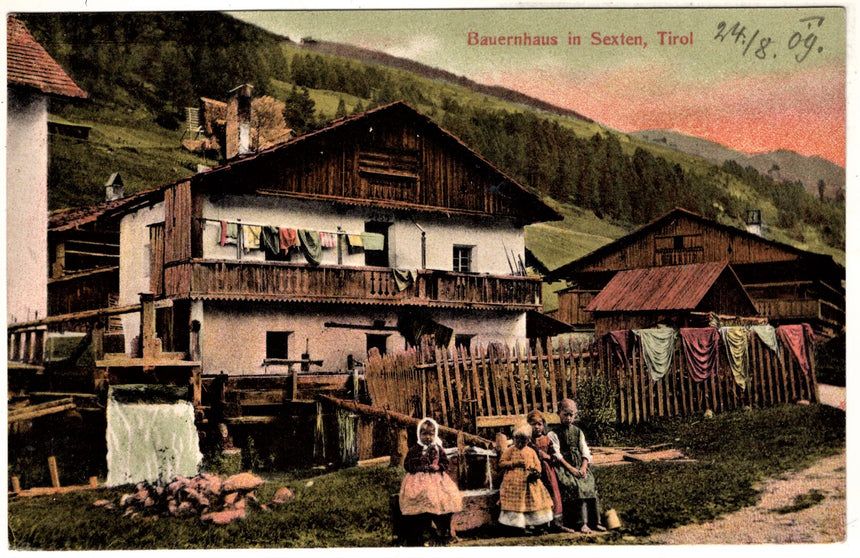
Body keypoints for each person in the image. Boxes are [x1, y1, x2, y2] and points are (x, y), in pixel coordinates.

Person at [398, 417, 463, 546]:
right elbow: (408, 465)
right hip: (417, 480)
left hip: (437, 480)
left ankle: (442, 533)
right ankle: (420, 534)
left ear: (435, 434)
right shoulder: (415, 449)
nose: (428, 437)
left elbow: (445, 463)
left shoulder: (438, 448)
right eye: (424, 434)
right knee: (421, 501)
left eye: (431, 434)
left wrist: (438, 467)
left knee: (444, 498)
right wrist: (420, 468)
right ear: (419, 434)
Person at [551, 399, 607, 533]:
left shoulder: (578, 432)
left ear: (575, 415)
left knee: (589, 482)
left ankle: (595, 521)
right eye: (565, 414)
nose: (569, 418)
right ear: (559, 414)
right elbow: (557, 455)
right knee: (577, 486)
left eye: (571, 415)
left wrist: (583, 467)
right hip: (565, 468)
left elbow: (585, 451)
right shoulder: (553, 433)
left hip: (579, 466)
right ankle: (582, 523)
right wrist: (572, 469)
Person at [498, 424, 554, 533]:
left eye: (523, 441)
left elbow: (538, 464)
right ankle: (519, 526)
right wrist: (514, 463)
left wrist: (536, 472)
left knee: (535, 500)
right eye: (517, 440)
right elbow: (501, 463)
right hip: (514, 482)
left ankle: (537, 525)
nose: (520, 443)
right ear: (514, 439)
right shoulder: (510, 450)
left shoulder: (531, 451)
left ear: (528, 440)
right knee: (518, 503)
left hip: (530, 480)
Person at [526, 409, 574, 533]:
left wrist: (546, 456)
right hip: (535, 472)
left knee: (553, 494)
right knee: (537, 497)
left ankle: (556, 523)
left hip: (548, 471)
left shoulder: (547, 439)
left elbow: (554, 457)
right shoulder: (527, 441)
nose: (536, 427)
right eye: (533, 424)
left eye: (539, 424)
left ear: (543, 425)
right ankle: (539, 525)